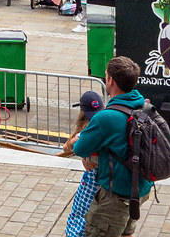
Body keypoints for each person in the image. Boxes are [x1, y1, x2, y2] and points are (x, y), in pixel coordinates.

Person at [73, 57, 152, 237]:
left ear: (110, 80)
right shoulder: (146, 107)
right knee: (126, 233)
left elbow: (80, 149)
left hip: (116, 194)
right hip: (141, 189)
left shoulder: (106, 118)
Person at [62, 91, 105, 237]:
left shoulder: (88, 129)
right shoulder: (104, 122)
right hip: (102, 178)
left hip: (91, 180)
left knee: (81, 213)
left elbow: (68, 146)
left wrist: (78, 143)